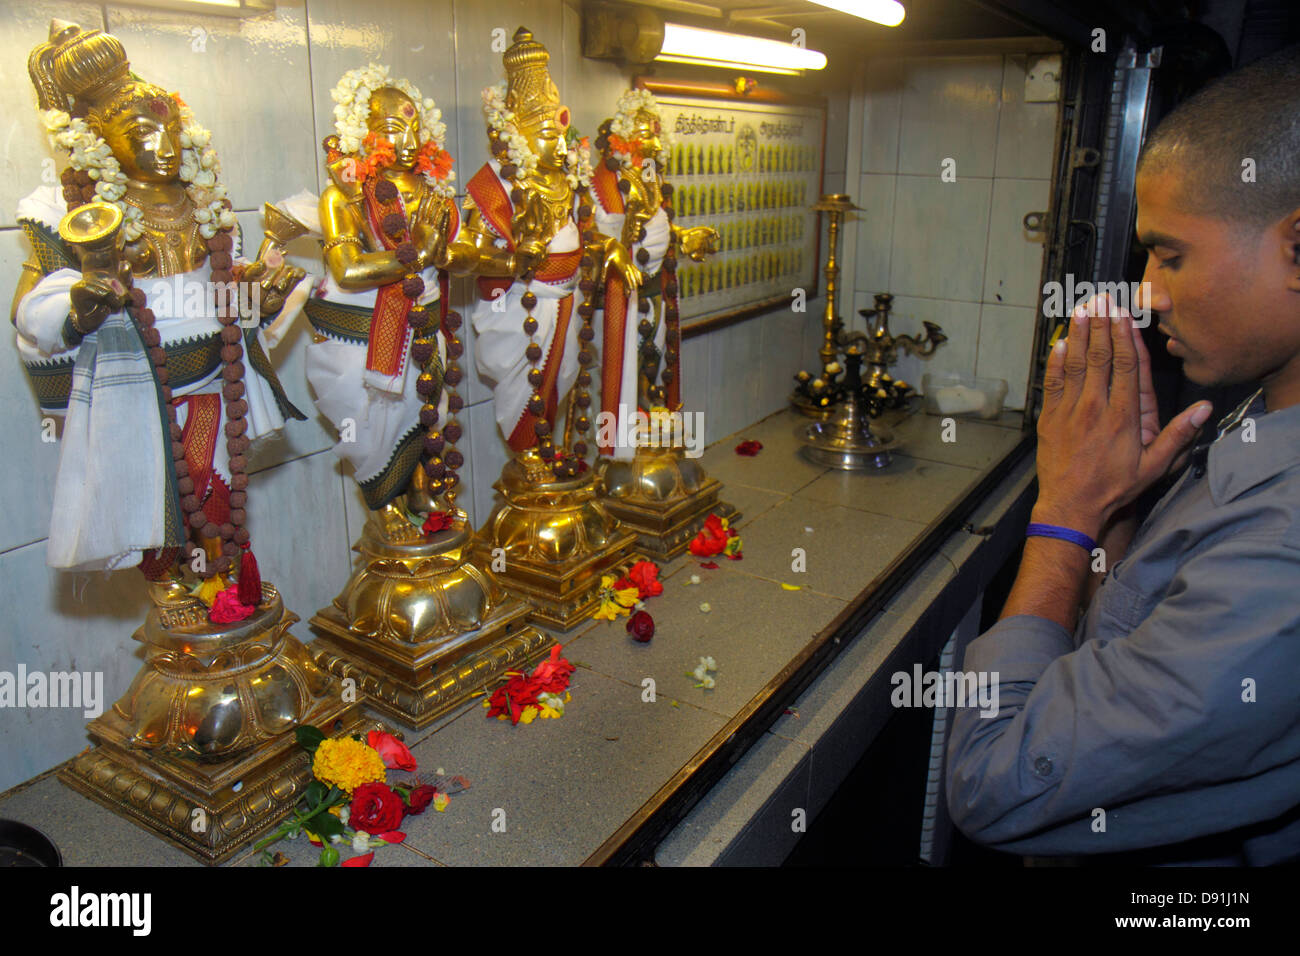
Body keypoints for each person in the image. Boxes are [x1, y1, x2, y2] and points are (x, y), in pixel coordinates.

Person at [945, 44, 1300, 865]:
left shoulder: (1284, 549)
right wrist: (1113, 514)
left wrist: (1062, 518)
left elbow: (993, 779)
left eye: (1171, 254)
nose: (1147, 290)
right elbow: (1134, 636)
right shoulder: (1258, 414)